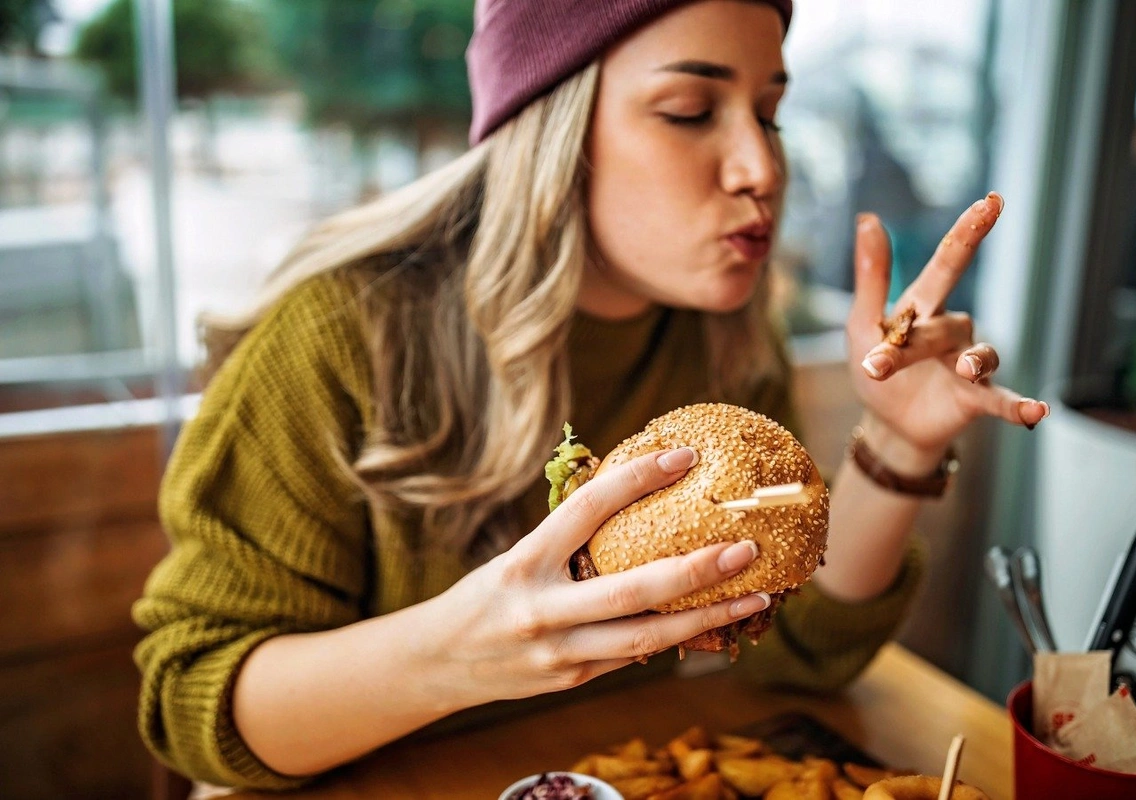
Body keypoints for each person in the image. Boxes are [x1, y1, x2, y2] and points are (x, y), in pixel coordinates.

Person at [133, 0, 1051, 791]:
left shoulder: (722, 337)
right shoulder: (340, 335)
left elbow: (802, 651)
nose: (762, 169)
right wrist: (456, 654)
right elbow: (188, 700)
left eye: (769, 114)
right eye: (691, 110)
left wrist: (899, 447)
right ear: (552, 129)